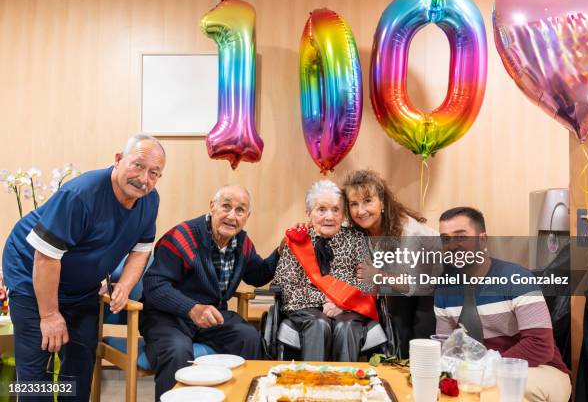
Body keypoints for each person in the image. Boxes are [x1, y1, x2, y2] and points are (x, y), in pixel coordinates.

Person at [2, 134, 165, 401]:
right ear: (118, 160)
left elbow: (142, 249)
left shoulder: (149, 200)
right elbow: (45, 258)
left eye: (154, 173)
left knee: (80, 360)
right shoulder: (80, 195)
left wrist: (124, 284)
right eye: (137, 165)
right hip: (31, 272)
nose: (144, 178)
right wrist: (50, 315)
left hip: (79, 286)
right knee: (35, 366)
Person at [141, 185, 280, 400]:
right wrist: (191, 308)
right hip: (168, 317)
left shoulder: (242, 242)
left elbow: (257, 275)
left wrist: (280, 251)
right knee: (178, 351)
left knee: (249, 337)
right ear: (212, 207)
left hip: (210, 317)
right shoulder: (182, 237)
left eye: (240, 210)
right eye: (226, 206)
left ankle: (245, 397)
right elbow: (154, 285)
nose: (231, 216)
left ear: (247, 216)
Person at [434, 207, 571, 402]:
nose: (452, 245)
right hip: (479, 373)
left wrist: (487, 367)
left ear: (482, 240)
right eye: (445, 239)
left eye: (461, 237)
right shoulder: (444, 290)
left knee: (496, 393)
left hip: (540, 368)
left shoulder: (516, 278)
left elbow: (540, 345)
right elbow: (446, 347)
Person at [273, 180, 377, 362]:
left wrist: (342, 304)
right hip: (305, 309)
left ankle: (346, 386)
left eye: (336, 210)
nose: (329, 216)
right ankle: (314, 384)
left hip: (349, 309)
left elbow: (367, 282)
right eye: (322, 209)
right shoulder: (296, 241)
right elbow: (286, 286)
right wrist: (326, 300)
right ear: (309, 213)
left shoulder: (357, 239)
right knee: (319, 324)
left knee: (346, 327)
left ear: (343, 214)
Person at [343, 169, 439, 356]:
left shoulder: (410, 233)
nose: (360, 211)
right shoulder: (354, 227)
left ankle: (412, 367)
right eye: (354, 204)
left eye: (367, 201)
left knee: (404, 313)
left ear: (383, 202)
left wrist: (377, 275)